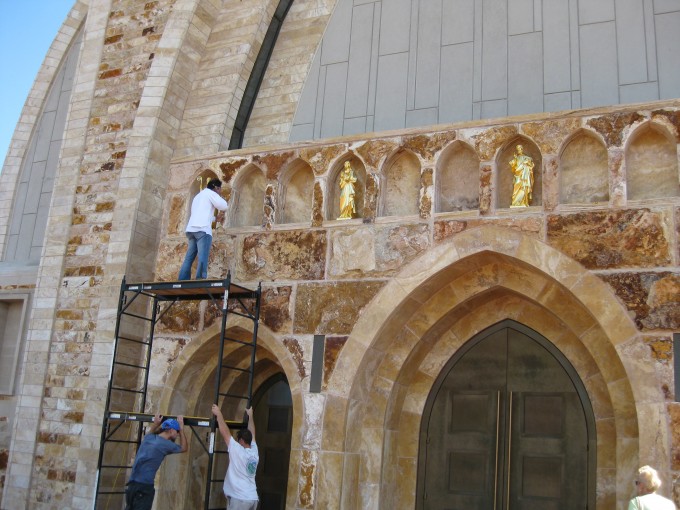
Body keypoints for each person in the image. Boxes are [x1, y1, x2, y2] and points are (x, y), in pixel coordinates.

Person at [125, 413, 188, 510]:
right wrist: (182, 429)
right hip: (144, 487)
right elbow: (184, 448)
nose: (178, 434)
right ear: (171, 430)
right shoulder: (165, 445)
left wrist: (155, 424)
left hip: (132, 486)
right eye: (177, 431)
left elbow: (151, 432)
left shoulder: (148, 438)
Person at [178, 178, 229, 280]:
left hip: (191, 229)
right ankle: (200, 279)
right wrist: (222, 202)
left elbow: (201, 214)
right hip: (202, 230)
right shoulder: (210, 193)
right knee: (203, 257)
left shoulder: (198, 196)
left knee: (189, 258)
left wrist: (215, 218)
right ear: (216, 187)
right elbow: (223, 206)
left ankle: (182, 280)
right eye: (219, 189)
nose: (220, 192)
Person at [212, 404, 259, 510]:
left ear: (241, 441)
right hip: (252, 497)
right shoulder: (254, 452)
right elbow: (252, 433)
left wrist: (219, 414)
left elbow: (225, 433)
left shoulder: (238, 451)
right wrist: (250, 416)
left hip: (240, 498)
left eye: (238, 440)